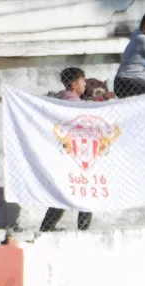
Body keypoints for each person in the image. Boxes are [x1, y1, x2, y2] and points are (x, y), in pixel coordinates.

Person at [41, 68, 92, 233]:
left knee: (65, 192)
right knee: (86, 190)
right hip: (75, 153)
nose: (85, 83)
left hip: (64, 153)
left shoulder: (62, 99)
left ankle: (47, 227)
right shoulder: (71, 102)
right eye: (82, 80)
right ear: (73, 84)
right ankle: (83, 229)